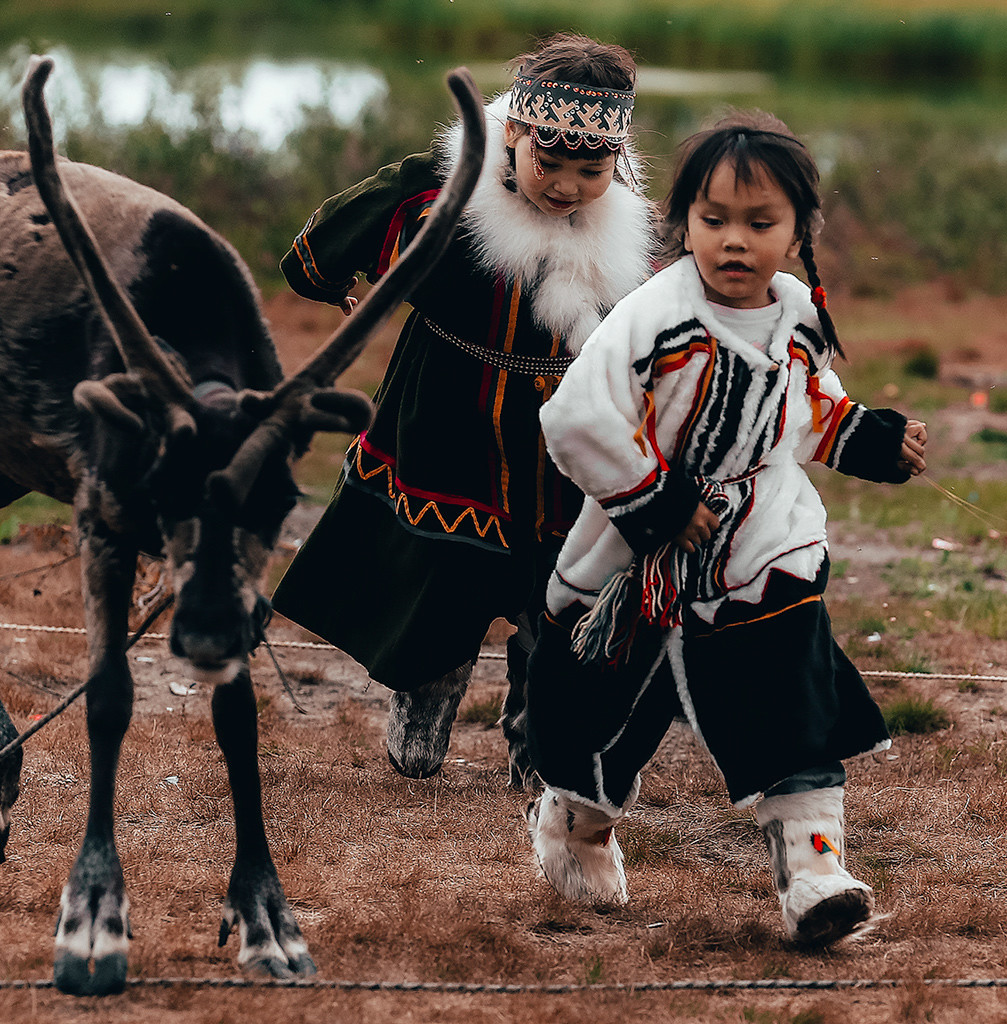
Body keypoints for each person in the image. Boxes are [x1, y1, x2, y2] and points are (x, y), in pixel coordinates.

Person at [522, 110, 929, 946]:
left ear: (799, 232)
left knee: (792, 700)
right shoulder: (652, 318)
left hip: (762, 545)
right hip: (640, 558)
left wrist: (870, 440)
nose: (734, 240)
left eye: (759, 222)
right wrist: (658, 500)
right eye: (713, 220)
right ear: (685, 224)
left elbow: (805, 409)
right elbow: (575, 417)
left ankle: (815, 877)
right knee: (607, 719)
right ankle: (575, 823)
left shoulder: (798, 318)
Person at [272, 34, 658, 785]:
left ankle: (540, 733)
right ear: (512, 134)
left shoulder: (632, 231)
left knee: (561, 582)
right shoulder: (445, 193)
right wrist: (328, 279)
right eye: (549, 164)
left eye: (591, 172)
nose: (567, 186)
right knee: (441, 573)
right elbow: (331, 236)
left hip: (566, 429)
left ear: (616, 161)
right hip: (449, 413)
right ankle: (428, 688)